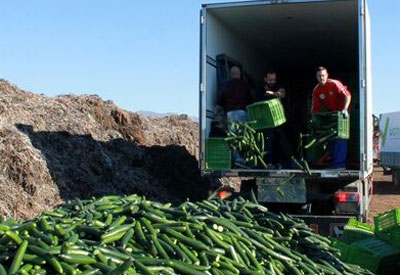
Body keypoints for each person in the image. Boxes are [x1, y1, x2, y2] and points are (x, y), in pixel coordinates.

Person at [311, 66, 352, 169]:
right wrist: (314, 119)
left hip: (343, 113)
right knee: (331, 136)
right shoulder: (316, 90)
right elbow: (315, 109)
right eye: (319, 76)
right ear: (316, 77)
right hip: (333, 114)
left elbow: (347, 95)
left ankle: (339, 165)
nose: (322, 78)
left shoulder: (334, 83)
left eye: (323, 75)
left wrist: (345, 109)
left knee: (340, 137)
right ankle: (334, 163)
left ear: (327, 75)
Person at [218, 66, 252, 165]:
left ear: (230, 75)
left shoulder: (225, 86)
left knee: (233, 137)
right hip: (242, 113)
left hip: (230, 114)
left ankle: (236, 160)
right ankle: (244, 159)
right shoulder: (245, 85)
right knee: (243, 137)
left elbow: (220, 102)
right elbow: (250, 100)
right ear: (239, 74)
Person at [258, 70, 292, 168]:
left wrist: (269, 92)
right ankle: (268, 163)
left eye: (274, 80)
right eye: (270, 80)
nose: (272, 82)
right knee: (267, 142)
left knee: (280, 141)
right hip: (265, 122)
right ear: (265, 79)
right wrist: (272, 93)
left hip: (278, 120)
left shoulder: (278, 86)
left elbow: (282, 94)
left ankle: (281, 163)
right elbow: (258, 96)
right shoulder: (261, 88)